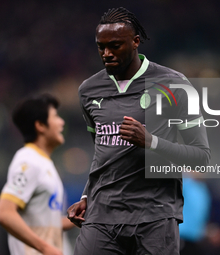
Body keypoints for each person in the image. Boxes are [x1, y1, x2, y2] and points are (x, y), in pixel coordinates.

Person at [67, 7, 211, 255]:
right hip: (102, 215)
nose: (107, 54)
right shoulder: (89, 90)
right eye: (101, 47)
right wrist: (86, 195)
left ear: (136, 42)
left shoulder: (174, 84)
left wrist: (151, 141)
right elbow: (102, 152)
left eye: (115, 46)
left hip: (154, 216)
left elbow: (201, 157)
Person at [0, 94, 75, 255]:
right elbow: (4, 213)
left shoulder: (44, 163)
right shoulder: (27, 161)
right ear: (40, 125)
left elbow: (42, 223)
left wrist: (79, 219)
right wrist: (45, 248)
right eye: (55, 116)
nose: (62, 122)